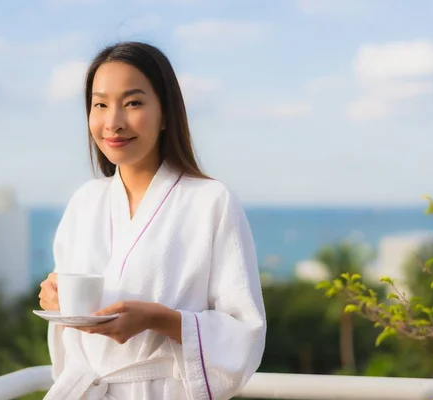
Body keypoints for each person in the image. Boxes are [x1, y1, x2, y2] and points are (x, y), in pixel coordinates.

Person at [37, 41, 267, 400]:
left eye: (133, 103)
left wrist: (158, 319)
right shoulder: (85, 201)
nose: (113, 122)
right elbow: (73, 321)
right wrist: (56, 299)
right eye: (100, 104)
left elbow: (244, 330)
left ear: (166, 114)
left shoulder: (211, 201)